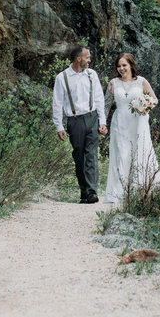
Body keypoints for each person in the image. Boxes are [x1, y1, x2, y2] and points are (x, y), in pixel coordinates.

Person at [104, 53, 160, 204]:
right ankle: (120, 191)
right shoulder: (113, 83)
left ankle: (141, 189)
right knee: (121, 153)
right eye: (119, 66)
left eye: (124, 65)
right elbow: (105, 106)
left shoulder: (141, 81)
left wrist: (145, 105)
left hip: (138, 122)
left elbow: (154, 99)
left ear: (131, 65)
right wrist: (102, 123)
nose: (121, 68)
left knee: (139, 152)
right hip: (120, 122)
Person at [52, 46, 107, 204]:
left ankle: (91, 192)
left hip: (92, 117)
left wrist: (102, 122)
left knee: (91, 155)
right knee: (79, 157)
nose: (89, 60)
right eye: (87, 57)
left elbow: (99, 99)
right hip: (74, 120)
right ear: (78, 59)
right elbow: (57, 104)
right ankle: (84, 192)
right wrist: (59, 126)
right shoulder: (62, 78)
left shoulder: (92, 75)